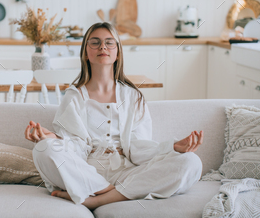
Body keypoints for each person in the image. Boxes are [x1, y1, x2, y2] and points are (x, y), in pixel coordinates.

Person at [24, 22, 203, 210]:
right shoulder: (74, 96)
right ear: (86, 52)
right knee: (43, 149)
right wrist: (52, 138)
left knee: (190, 162)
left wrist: (173, 147)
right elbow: (74, 147)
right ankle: (106, 189)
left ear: (117, 52)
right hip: (86, 171)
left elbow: (138, 148)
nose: (103, 47)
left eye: (110, 43)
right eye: (95, 42)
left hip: (128, 172)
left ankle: (98, 199)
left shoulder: (133, 96)